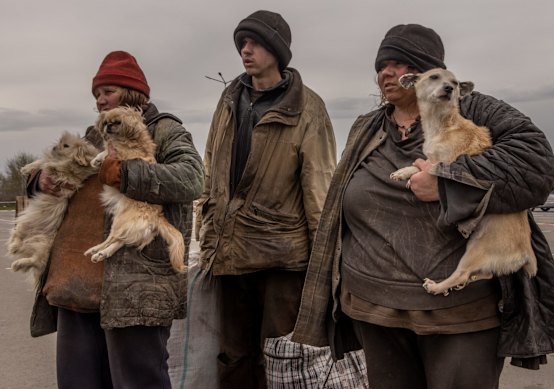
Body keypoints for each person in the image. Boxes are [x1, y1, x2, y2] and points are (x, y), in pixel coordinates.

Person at [292, 24, 554, 388]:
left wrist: (448, 180)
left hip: (458, 315)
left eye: (399, 64)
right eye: (382, 65)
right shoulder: (368, 126)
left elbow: (538, 166)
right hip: (373, 309)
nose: (386, 73)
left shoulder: (472, 108)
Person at [27, 50, 204, 388]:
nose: (100, 100)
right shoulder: (96, 136)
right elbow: (59, 166)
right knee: (78, 381)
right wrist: (40, 182)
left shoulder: (165, 130)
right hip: (78, 282)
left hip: (137, 286)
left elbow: (192, 178)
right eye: (96, 94)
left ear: (133, 92)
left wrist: (127, 174)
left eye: (107, 91)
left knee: (137, 381)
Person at [197, 10, 336, 389]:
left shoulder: (308, 106)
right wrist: (207, 236)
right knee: (232, 357)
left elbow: (319, 187)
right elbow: (212, 170)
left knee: (280, 360)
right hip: (229, 254)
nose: (245, 49)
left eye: (254, 42)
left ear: (276, 49)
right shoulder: (229, 99)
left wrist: (324, 269)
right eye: (242, 43)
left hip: (282, 259)